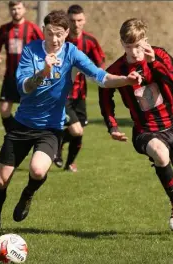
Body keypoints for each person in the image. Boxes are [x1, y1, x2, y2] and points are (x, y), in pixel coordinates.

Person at [0, 10, 141, 235]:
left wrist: (126, 80)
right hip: (22, 125)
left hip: (51, 128)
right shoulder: (31, 51)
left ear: (67, 33)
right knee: (0, 181)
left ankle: (28, 194)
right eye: (49, 33)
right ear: (43, 32)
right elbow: (24, 88)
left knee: (38, 171)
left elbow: (101, 77)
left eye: (59, 34)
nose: (54, 39)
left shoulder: (72, 54)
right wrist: (44, 70)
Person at [99, 18, 173, 236]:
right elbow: (105, 94)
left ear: (145, 40)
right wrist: (112, 125)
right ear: (122, 44)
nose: (134, 52)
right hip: (145, 130)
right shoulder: (117, 68)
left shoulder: (159, 55)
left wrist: (153, 64)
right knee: (160, 155)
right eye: (129, 46)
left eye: (138, 45)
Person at [54, 4, 106, 172]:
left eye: (79, 20)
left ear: (85, 20)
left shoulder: (90, 41)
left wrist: (100, 76)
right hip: (63, 94)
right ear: (67, 21)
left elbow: (100, 63)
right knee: (76, 130)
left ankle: (68, 163)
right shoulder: (60, 41)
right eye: (72, 20)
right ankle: (56, 142)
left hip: (81, 94)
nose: (76, 24)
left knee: (80, 130)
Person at [0, 1, 44, 133]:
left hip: (28, 76)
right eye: (13, 9)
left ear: (24, 9)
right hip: (10, 76)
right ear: (10, 10)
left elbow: (44, 45)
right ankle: (14, 134)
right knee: (4, 110)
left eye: (19, 8)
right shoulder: (4, 29)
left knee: (31, 111)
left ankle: (40, 136)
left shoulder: (32, 28)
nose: (16, 11)